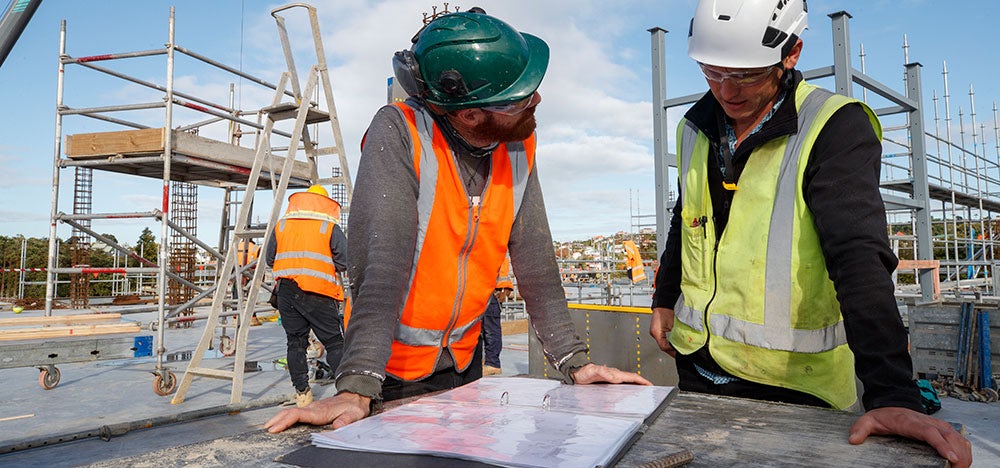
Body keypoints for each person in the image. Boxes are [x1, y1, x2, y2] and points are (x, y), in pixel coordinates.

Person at [265, 9, 649, 433]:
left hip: (466, 366)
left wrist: (575, 362)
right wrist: (357, 384)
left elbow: (537, 264)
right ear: (469, 114)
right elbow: (381, 265)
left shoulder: (517, 146)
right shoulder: (399, 133)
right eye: (518, 98)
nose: (535, 101)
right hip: (389, 377)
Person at [648, 1, 971, 466]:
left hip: (796, 383)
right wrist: (665, 295)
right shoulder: (693, 128)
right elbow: (689, 216)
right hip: (699, 366)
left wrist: (892, 392)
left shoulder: (833, 126)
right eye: (711, 72)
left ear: (791, 52)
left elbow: (858, 254)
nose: (725, 90)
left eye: (744, 75)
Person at [265, 184, 348, 407]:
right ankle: (347, 393)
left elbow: (270, 260)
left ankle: (302, 394)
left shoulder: (282, 225)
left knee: (295, 343)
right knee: (334, 342)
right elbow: (344, 262)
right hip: (318, 292)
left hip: (287, 292)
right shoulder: (328, 226)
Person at [483, 255, 513, 376]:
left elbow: (503, 267)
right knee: (482, 330)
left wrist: (503, 287)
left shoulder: (496, 244)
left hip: (493, 290)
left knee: (490, 330)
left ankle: (493, 363)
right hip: (484, 289)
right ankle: (489, 361)